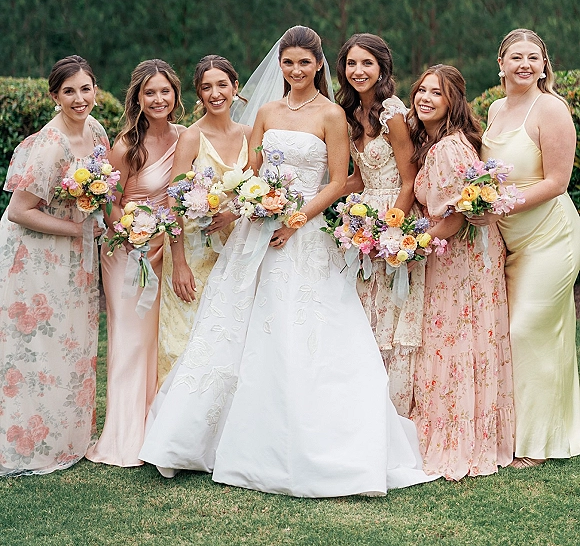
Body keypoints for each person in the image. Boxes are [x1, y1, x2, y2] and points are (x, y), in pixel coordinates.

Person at [139, 26, 437, 496]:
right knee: (233, 326)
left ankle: (308, 441)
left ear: (319, 64)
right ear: (279, 65)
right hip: (256, 231)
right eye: (288, 62)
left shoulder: (332, 115)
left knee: (303, 331)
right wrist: (238, 203)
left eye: (304, 62)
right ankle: (198, 438)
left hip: (304, 233)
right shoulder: (267, 111)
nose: (295, 70)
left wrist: (295, 220)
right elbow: (252, 171)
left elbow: (338, 181)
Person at [0, 55, 108, 476]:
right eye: (69, 91)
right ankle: (30, 442)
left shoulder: (96, 130)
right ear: (54, 96)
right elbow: (19, 212)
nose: (79, 98)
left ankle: (68, 436)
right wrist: (78, 230)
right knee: (37, 347)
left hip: (74, 254)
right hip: (36, 258)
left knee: (72, 340)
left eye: (86, 88)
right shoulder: (50, 146)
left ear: (95, 89)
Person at [477, 29, 580, 468]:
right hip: (510, 239)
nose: (524, 64)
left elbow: (557, 182)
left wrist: (498, 203)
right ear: (500, 63)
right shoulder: (498, 108)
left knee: (527, 329)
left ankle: (536, 445)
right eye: (515, 57)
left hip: (550, 237)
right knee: (518, 334)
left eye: (533, 57)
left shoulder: (551, 109)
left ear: (544, 65)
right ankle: (522, 429)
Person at [408, 64, 514, 480]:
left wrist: (412, 246)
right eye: (421, 90)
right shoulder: (441, 144)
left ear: (454, 101)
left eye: (437, 93)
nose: (425, 98)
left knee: (455, 339)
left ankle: (458, 438)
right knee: (461, 341)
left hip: (459, 260)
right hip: (457, 257)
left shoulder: (448, 148)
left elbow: (456, 216)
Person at [86, 60, 185, 467]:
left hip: (170, 246)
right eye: (150, 93)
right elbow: (110, 202)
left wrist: (165, 236)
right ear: (138, 99)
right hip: (130, 251)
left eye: (165, 91)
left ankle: (156, 428)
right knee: (130, 340)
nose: (158, 99)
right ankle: (124, 438)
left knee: (160, 341)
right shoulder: (127, 145)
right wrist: (136, 235)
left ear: (176, 95)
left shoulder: (184, 138)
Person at [336, 33, 423, 418]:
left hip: (393, 216)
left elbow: (409, 178)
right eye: (352, 64)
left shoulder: (392, 113)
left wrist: (392, 231)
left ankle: (396, 411)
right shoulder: (349, 112)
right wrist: (317, 195)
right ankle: (363, 408)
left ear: (382, 68)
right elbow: (358, 178)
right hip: (364, 216)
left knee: (390, 315)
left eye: (366, 63)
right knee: (363, 311)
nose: (358, 71)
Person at [157, 55, 251, 386]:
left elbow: (258, 192)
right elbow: (172, 202)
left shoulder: (250, 134)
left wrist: (233, 212)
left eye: (222, 85)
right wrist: (179, 263)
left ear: (235, 87)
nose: (215, 93)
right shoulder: (192, 137)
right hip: (194, 253)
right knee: (186, 339)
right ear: (198, 92)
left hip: (236, 250)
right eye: (206, 87)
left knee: (227, 338)